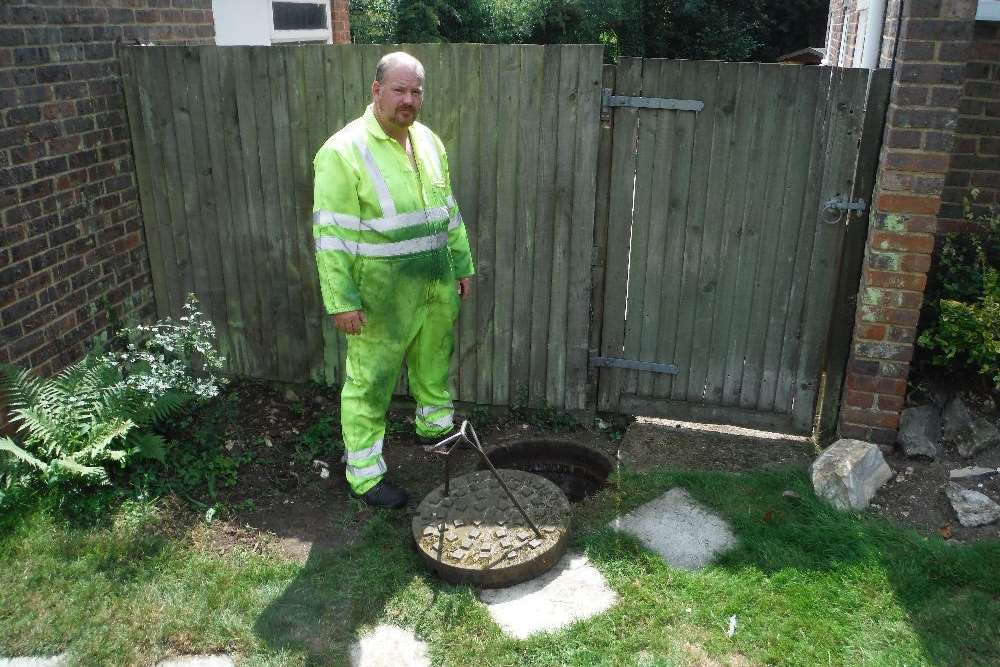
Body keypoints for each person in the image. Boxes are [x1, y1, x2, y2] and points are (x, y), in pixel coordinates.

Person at [312, 52, 475, 509]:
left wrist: (461, 264)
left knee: (433, 365)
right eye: (400, 90)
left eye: (416, 91)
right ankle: (364, 476)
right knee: (369, 384)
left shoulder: (428, 142)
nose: (409, 100)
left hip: (435, 286)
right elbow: (331, 236)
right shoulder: (343, 152)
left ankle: (435, 428)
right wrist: (340, 300)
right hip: (380, 298)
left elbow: (449, 212)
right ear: (376, 90)